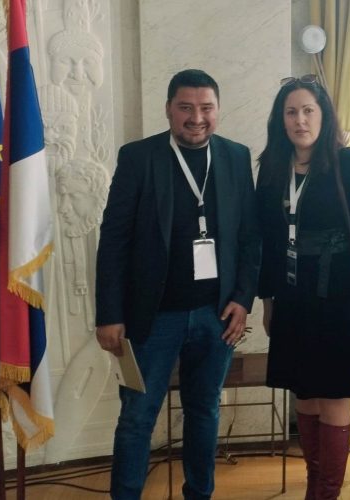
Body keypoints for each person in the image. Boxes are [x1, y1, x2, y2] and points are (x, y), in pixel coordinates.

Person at [95, 69, 260, 500]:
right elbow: (114, 239)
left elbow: (249, 237)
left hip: (216, 316)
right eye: (186, 107)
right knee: (138, 417)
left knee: (204, 412)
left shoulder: (236, 157)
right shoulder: (138, 157)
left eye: (206, 108)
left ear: (218, 110)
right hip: (151, 319)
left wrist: (243, 299)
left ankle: (199, 495)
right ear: (168, 109)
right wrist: (109, 314)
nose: (196, 118)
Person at [256, 75, 350, 500]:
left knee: (332, 396)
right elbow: (267, 240)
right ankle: (314, 486)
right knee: (304, 394)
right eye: (291, 112)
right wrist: (267, 299)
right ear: (281, 120)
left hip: (340, 299)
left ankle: (326, 494)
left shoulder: (347, 164)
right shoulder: (272, 168)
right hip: (291, 297)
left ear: (323, 115)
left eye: (308, 111)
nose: (300, 120)